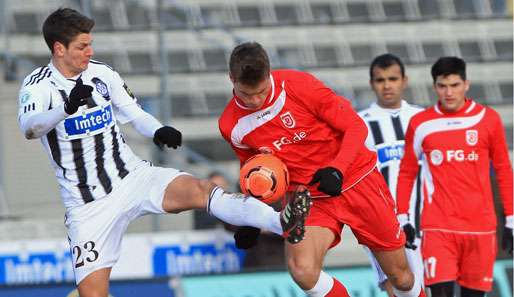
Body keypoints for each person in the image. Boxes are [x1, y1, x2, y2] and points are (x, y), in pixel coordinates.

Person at [17, 9, 309, 297]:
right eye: (82, 46)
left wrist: (157, 130)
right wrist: (65, 108)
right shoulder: (38, 86)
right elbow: (30, 128)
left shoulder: (101, 74)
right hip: (87, 205)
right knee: (92, 295)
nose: (89, 51)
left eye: (90, 43)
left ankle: (282, 220)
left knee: (201, 190)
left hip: (131, 176)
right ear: (59, 49)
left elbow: (133, 113)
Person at [219, 42, 426, 297]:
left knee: (401, 278)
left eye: (260, 92)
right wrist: (250, 217)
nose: (255, 100)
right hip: (307, 198)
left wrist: (337, 169)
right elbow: (253, 172)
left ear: (269, 74)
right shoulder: (231, 125)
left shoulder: (300, 85)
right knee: (302, 271)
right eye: (246, 94)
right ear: (231, 79)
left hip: (357, 180)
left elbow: (356, 127)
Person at [396, 56, 513, 297]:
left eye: (455, 85)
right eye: (442, 86)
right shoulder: (421, 123)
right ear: (435, 87)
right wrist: (402, 217)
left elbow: (503, 171)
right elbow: (407, 172)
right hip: (438, 226)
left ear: (466, 84)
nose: (449, 92)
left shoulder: (488, 119)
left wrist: (511, 221)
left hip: (480, 228)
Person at [358, 54, 424, 297]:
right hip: (382, 220)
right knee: (395, 287)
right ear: (371, 83)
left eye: (393, 79)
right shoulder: (359, 124)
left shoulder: (423, 118)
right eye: (380, 80)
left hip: (426, 219)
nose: (387, 85)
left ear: (404, 81)